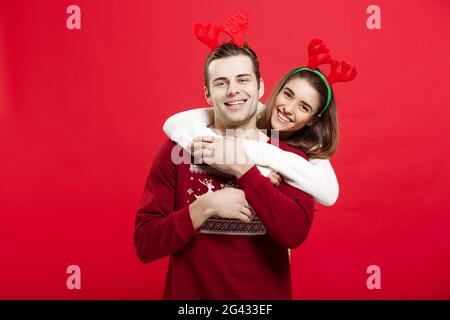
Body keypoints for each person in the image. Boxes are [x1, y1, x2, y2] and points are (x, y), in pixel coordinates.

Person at [134, 42, 315, 299]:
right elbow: (145, 245)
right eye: (221, 82)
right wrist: (204, 208)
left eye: (243, 80)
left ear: (260, 87)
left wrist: (245, 170)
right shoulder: (177, 152)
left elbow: (294, 233)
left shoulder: (288, 159)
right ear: (208, 94)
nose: (233, 90)